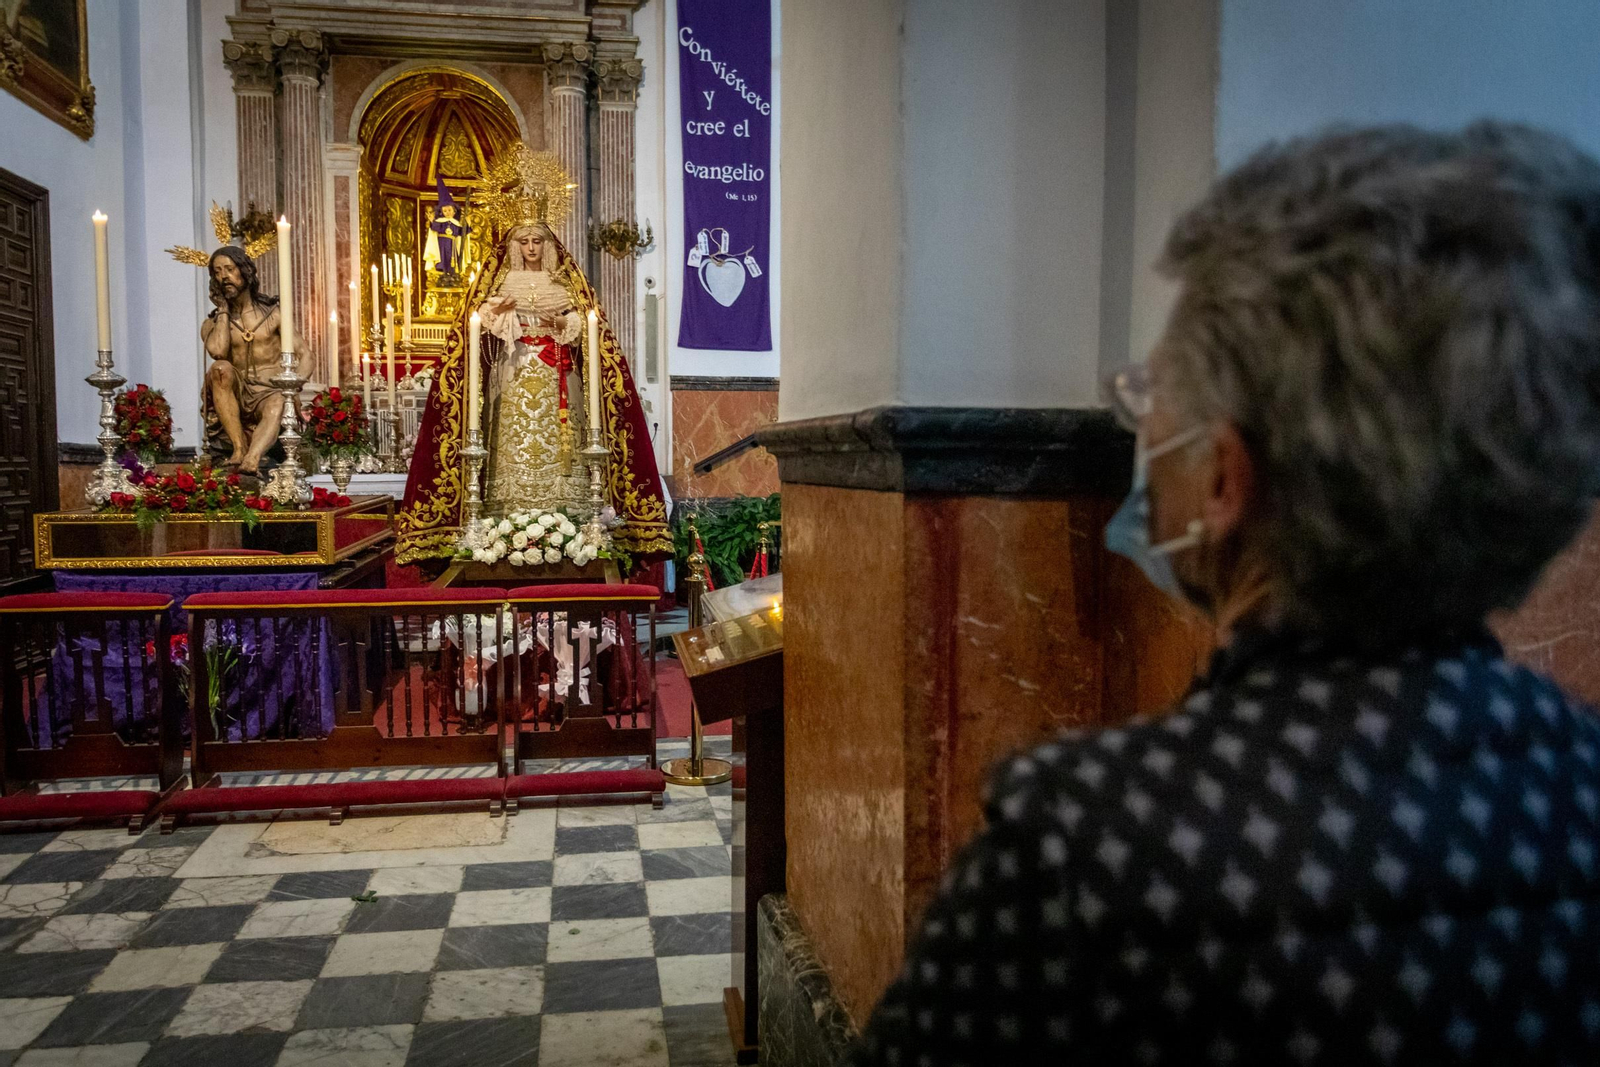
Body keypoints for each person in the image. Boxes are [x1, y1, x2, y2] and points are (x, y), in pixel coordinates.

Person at [851, 122, 1600, 1064]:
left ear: (1222, 480)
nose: (1142, 427)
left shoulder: (1081, 854)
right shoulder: (1581, 781)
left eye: (1151, 398)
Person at [397, 143, 670, 564]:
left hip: (557, 377)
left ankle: (571, 519)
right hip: (514, 370)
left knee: (567, 444)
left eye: (537, 240)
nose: (530, 248)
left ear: (548, 243)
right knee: (511, 439)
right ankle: (506, 519)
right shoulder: (500, 283)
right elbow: (477, 329)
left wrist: (563, 324)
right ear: (512, 244)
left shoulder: (564, 285)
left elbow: (588, 328)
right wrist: (498, 314)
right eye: (523, 240)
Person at [199, 246, 293, 474]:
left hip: (270, 391)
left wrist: (293, 386)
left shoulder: (273, 314)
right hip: (236, 393)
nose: (223, 277)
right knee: (219, 368)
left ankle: (252, 458)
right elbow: (219, 352)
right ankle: (239, 448)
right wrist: (222, 309)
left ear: (245, 271)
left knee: (278, 401)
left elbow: (306, 356)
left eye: (229, 269)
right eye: (217, 272)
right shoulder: (211, 325)